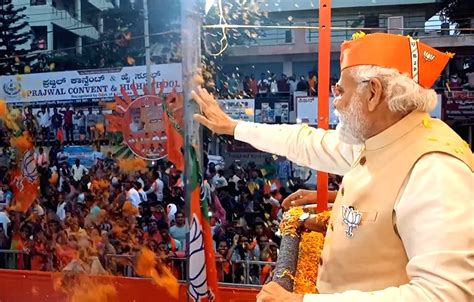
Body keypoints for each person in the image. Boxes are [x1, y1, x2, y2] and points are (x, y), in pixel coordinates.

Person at [192, 33, 473, 301]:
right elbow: (305, 142)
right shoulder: (387, 138)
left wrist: (300, 301)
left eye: (339, 90)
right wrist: (233, 127)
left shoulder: (434, 169)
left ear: (373, 93)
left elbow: (446, 295)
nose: (336, 102)